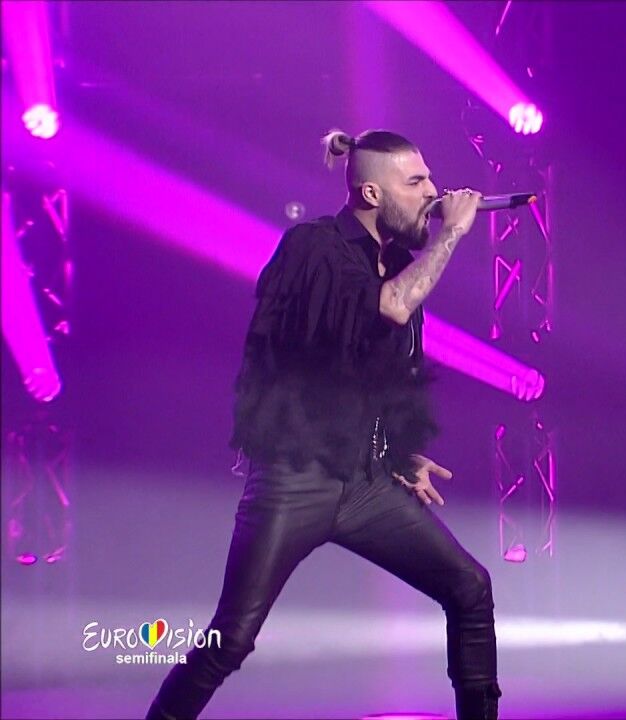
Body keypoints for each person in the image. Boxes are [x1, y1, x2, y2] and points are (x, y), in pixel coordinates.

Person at [146, 129, 501, 720]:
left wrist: (400, 454)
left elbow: (372, 372)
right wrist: (454, 233)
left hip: (364, 484)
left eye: (430, 179)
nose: (433, 193)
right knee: (231, 639)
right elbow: (390, 306)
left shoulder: (395, 262)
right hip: (296, 479)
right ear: (371, 193)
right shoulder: (313, 247)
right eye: (416, 182)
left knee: (470, 587)